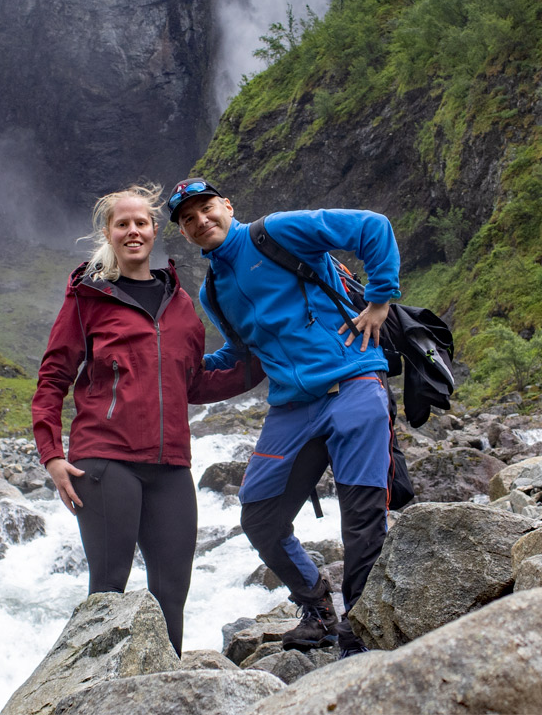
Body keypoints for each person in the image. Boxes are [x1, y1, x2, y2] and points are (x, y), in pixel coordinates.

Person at [168, 177, 399, 658]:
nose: (200, 221)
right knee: (260, 517)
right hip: (293, 406)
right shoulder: (213, 290)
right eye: (188, 219)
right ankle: (317, 608)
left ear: (227, 206)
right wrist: (185, 374)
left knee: (360, 518)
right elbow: (244, 354)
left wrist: (379, 300)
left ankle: (361, 629)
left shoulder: (276, 232)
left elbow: (372, 228)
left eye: (207, 208)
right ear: (184, 233)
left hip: (353, 382)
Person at [31, 184, 258, 656]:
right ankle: (92, 694)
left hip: (171, 465)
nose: (133, 231)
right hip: (104, 461)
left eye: (141, 223)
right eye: (122, 224)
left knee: (171, 594)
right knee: (108, 591)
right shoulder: (86, 297)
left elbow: (191, 383)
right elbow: (53, 376)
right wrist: (51, 455)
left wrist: (260, 366)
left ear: (156, 231)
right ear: (109, 233)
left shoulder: (180, 303)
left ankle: (163, 690)